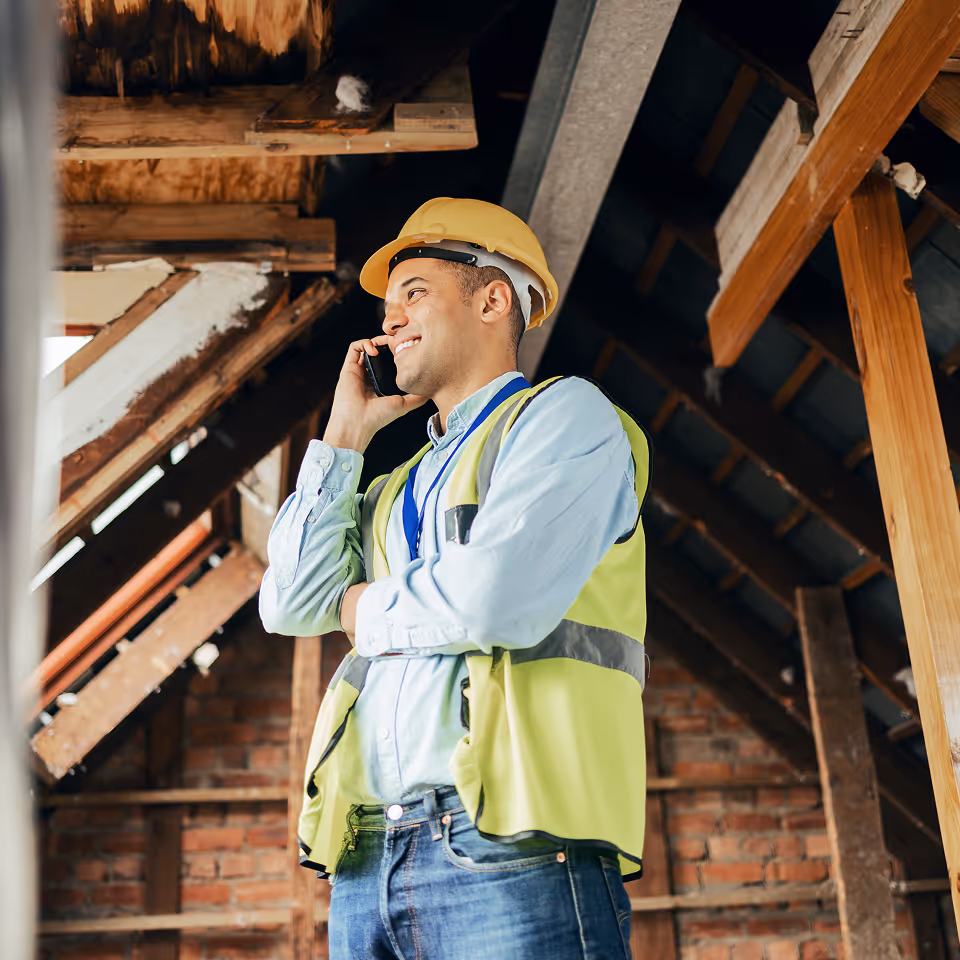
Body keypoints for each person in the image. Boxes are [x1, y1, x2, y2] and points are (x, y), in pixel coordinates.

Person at [260, 197, 650, 959]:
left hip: (513, 845)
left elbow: (498, 597)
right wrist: (345, 435)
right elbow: (293, 601)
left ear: (492, 297)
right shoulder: (394, 484)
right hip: (369, 856)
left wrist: (366, 607)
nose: (390, 320)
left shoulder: (567, 418)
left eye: (414, 293)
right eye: (386, 306)